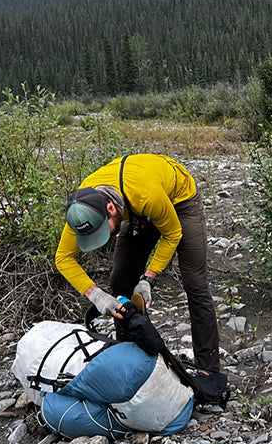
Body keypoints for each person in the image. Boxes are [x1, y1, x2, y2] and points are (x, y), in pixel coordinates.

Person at [56, 153, 221, 374]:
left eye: (105, 230)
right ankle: (132, 357)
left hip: (178, 199)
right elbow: (63, 257)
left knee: (194, 282)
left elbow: (172, 234)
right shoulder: (82, 208)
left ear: (110, 209)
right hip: (133, 205)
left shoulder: (148, 196)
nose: (106, 237)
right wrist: (95, 295)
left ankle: (207, 369)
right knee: (121, 280)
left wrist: (147, 280)